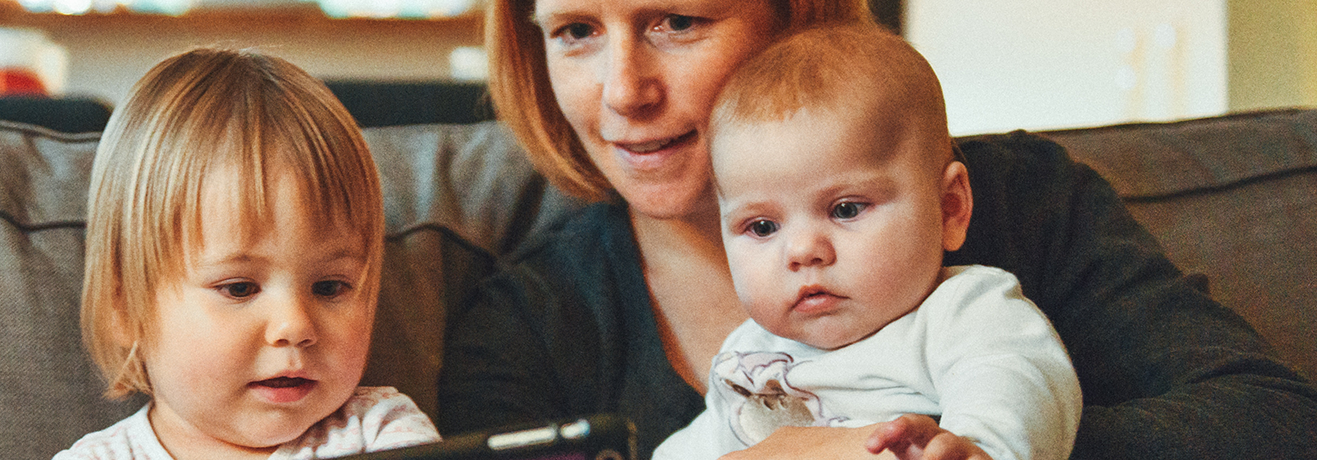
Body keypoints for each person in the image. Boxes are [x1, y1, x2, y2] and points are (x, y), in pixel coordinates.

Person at [437, 0, 1317, 458]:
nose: (625, 91)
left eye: (679, 21)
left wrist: (952, 442)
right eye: (578, 31)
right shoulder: (524, 328)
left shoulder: (1020, 208)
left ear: (797, 16)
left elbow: (1272, 425)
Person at [652, 25, 1079, 460]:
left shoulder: (963, 315)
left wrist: (979, 449)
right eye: (762, 227)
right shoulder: (748, 353)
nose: (801, 251)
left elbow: (1017, 386)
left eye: (846, 210)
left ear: (949, 208)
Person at [57, 47, 440, 460]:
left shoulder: (382, 433)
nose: (294, 325)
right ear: (126, 306)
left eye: (330, 287)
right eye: (239, 288)